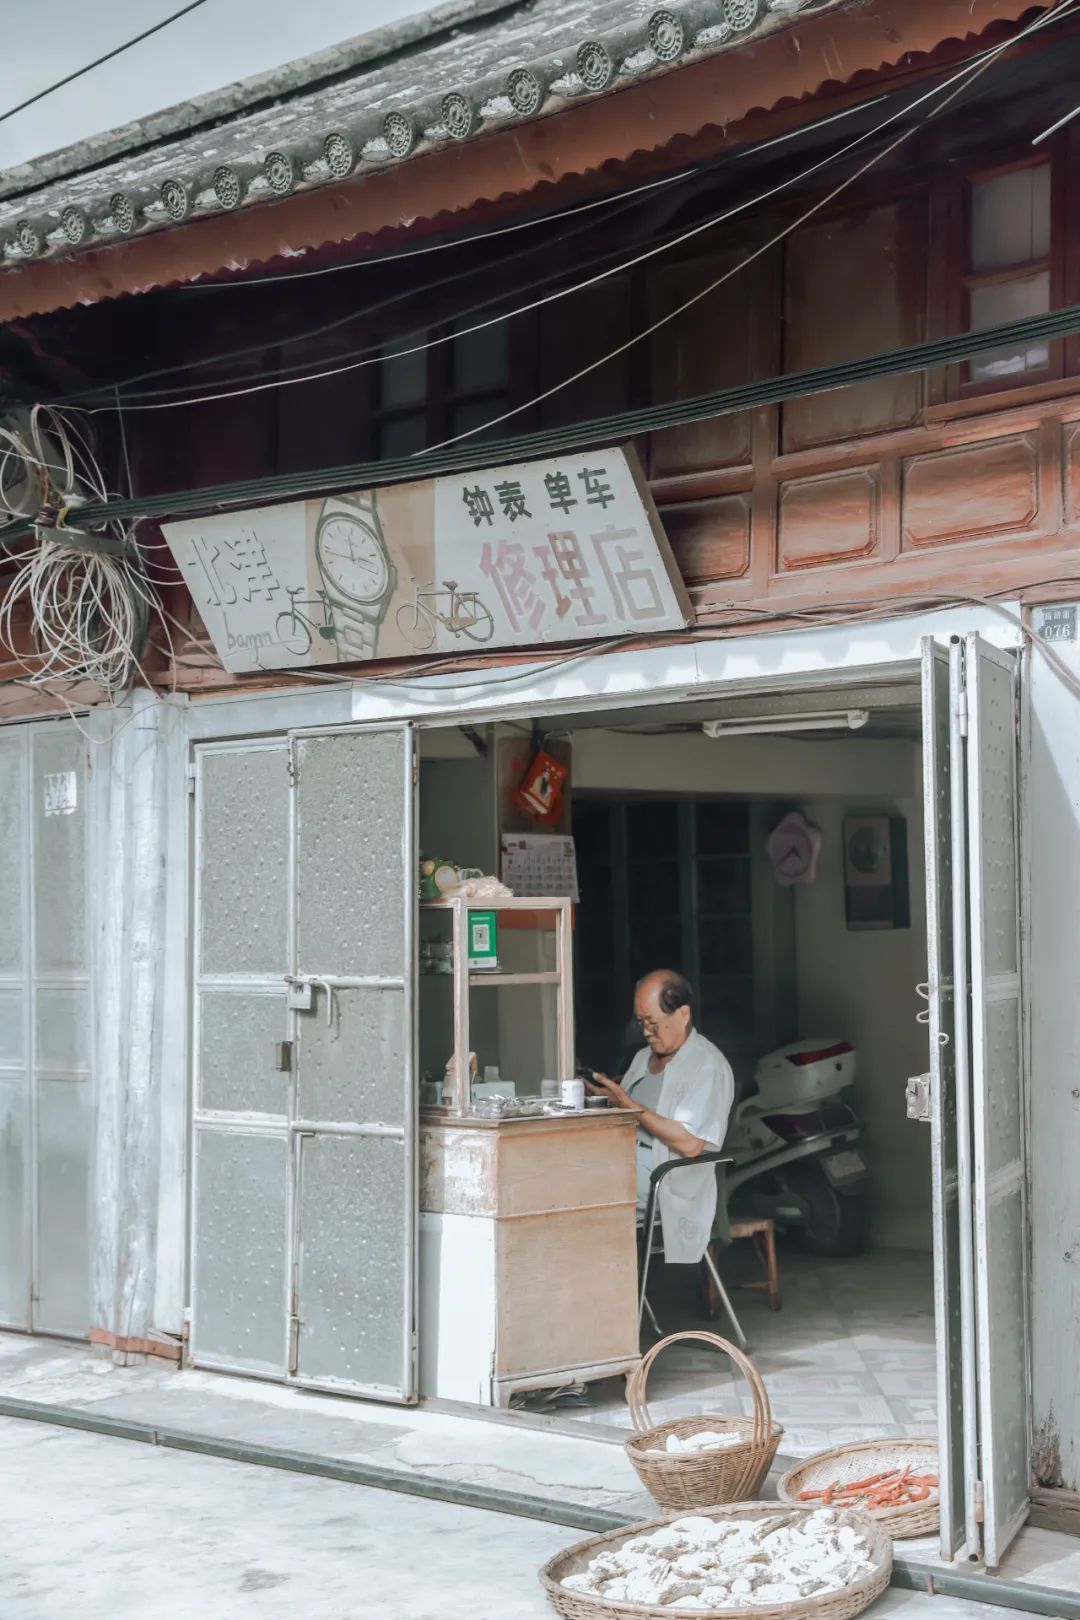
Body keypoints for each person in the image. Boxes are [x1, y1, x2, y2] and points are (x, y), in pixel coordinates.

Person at [587, 971, 734, 1266]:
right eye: (640, 1023)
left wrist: (630, 1106)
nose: (646, 1032)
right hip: (625, 1160)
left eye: (653, 1023)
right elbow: (630, 1109)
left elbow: (691, 1144)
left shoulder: (706, 1064)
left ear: (683, 1014)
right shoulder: (643, 1057)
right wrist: (608, 1098)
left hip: (666, 1175)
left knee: (584, 1194)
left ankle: (607, 1287)